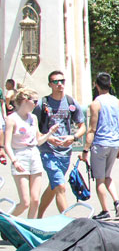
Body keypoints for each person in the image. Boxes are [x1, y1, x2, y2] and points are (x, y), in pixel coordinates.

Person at [34, 70, 85, 217]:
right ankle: (68, 224)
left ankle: (39, 217)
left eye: (62, 81)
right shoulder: (42, 104)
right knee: (61, 186)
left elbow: (82, 126)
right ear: (50, 84)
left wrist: (73, 137)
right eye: (56, 82)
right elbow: (34, 128)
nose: (60, 84)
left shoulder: (71, 102)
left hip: (65, 153)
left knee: (54, 186)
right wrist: (48, 137)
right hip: (48, 151)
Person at [4, 88, 59, 218]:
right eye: (34, 101)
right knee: (25, 202)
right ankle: (4, 222)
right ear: (25, 100)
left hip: (34, 154)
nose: (36, 104)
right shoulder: (11, 119)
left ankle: (30, 229)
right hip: (19, 155)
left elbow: (38, 141)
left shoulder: (33, 118)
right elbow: (7, 144)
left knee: (35, 200)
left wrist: (50, 133)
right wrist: (14, 161)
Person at [83, 72, 119, 220]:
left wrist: (85, 149)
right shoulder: (118, 103)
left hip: (100, 143)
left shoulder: (96, 103)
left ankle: (105, 209)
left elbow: (92, 129)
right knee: (108, 176)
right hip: (114, 143)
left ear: (96, 85)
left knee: (99, 179)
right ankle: (117, 201)